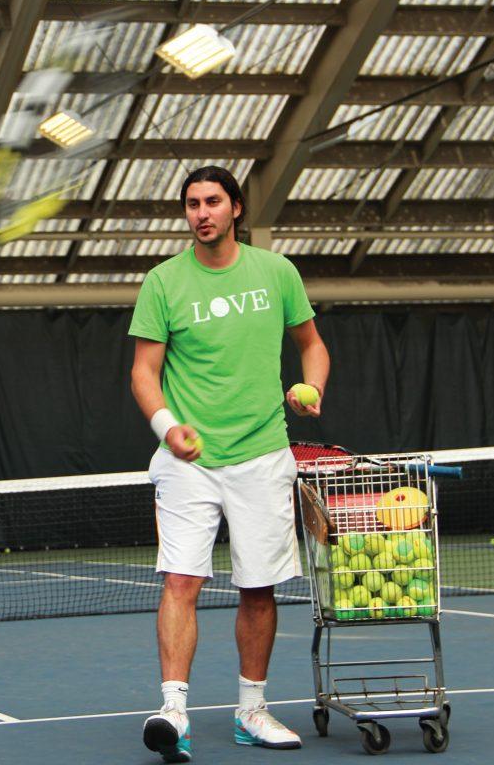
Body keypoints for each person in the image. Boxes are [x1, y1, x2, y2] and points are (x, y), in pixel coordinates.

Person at [128, 166, 329, 762]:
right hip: (186, 463)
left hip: (264, 454)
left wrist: (310, 386)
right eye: (192, 204)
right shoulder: (163, 282)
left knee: (258, 588)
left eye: (212, 201)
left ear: (236, 208)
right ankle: (173, 712)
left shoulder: (277, 273)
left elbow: (312, 344)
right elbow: (144, 373)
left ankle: (251, 710)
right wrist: (170, 428)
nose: (201, 213)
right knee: (180, 581)